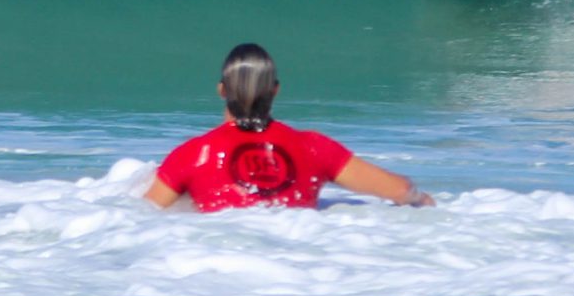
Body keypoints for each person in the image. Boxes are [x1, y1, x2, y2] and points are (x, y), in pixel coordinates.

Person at [145, 44, 436, 212]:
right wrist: (420, 199)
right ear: (275, 90)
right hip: (296, 267)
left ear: (222, 90)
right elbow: (399, 190)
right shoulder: (313, 147)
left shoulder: (194, 153)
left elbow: (138, 218)